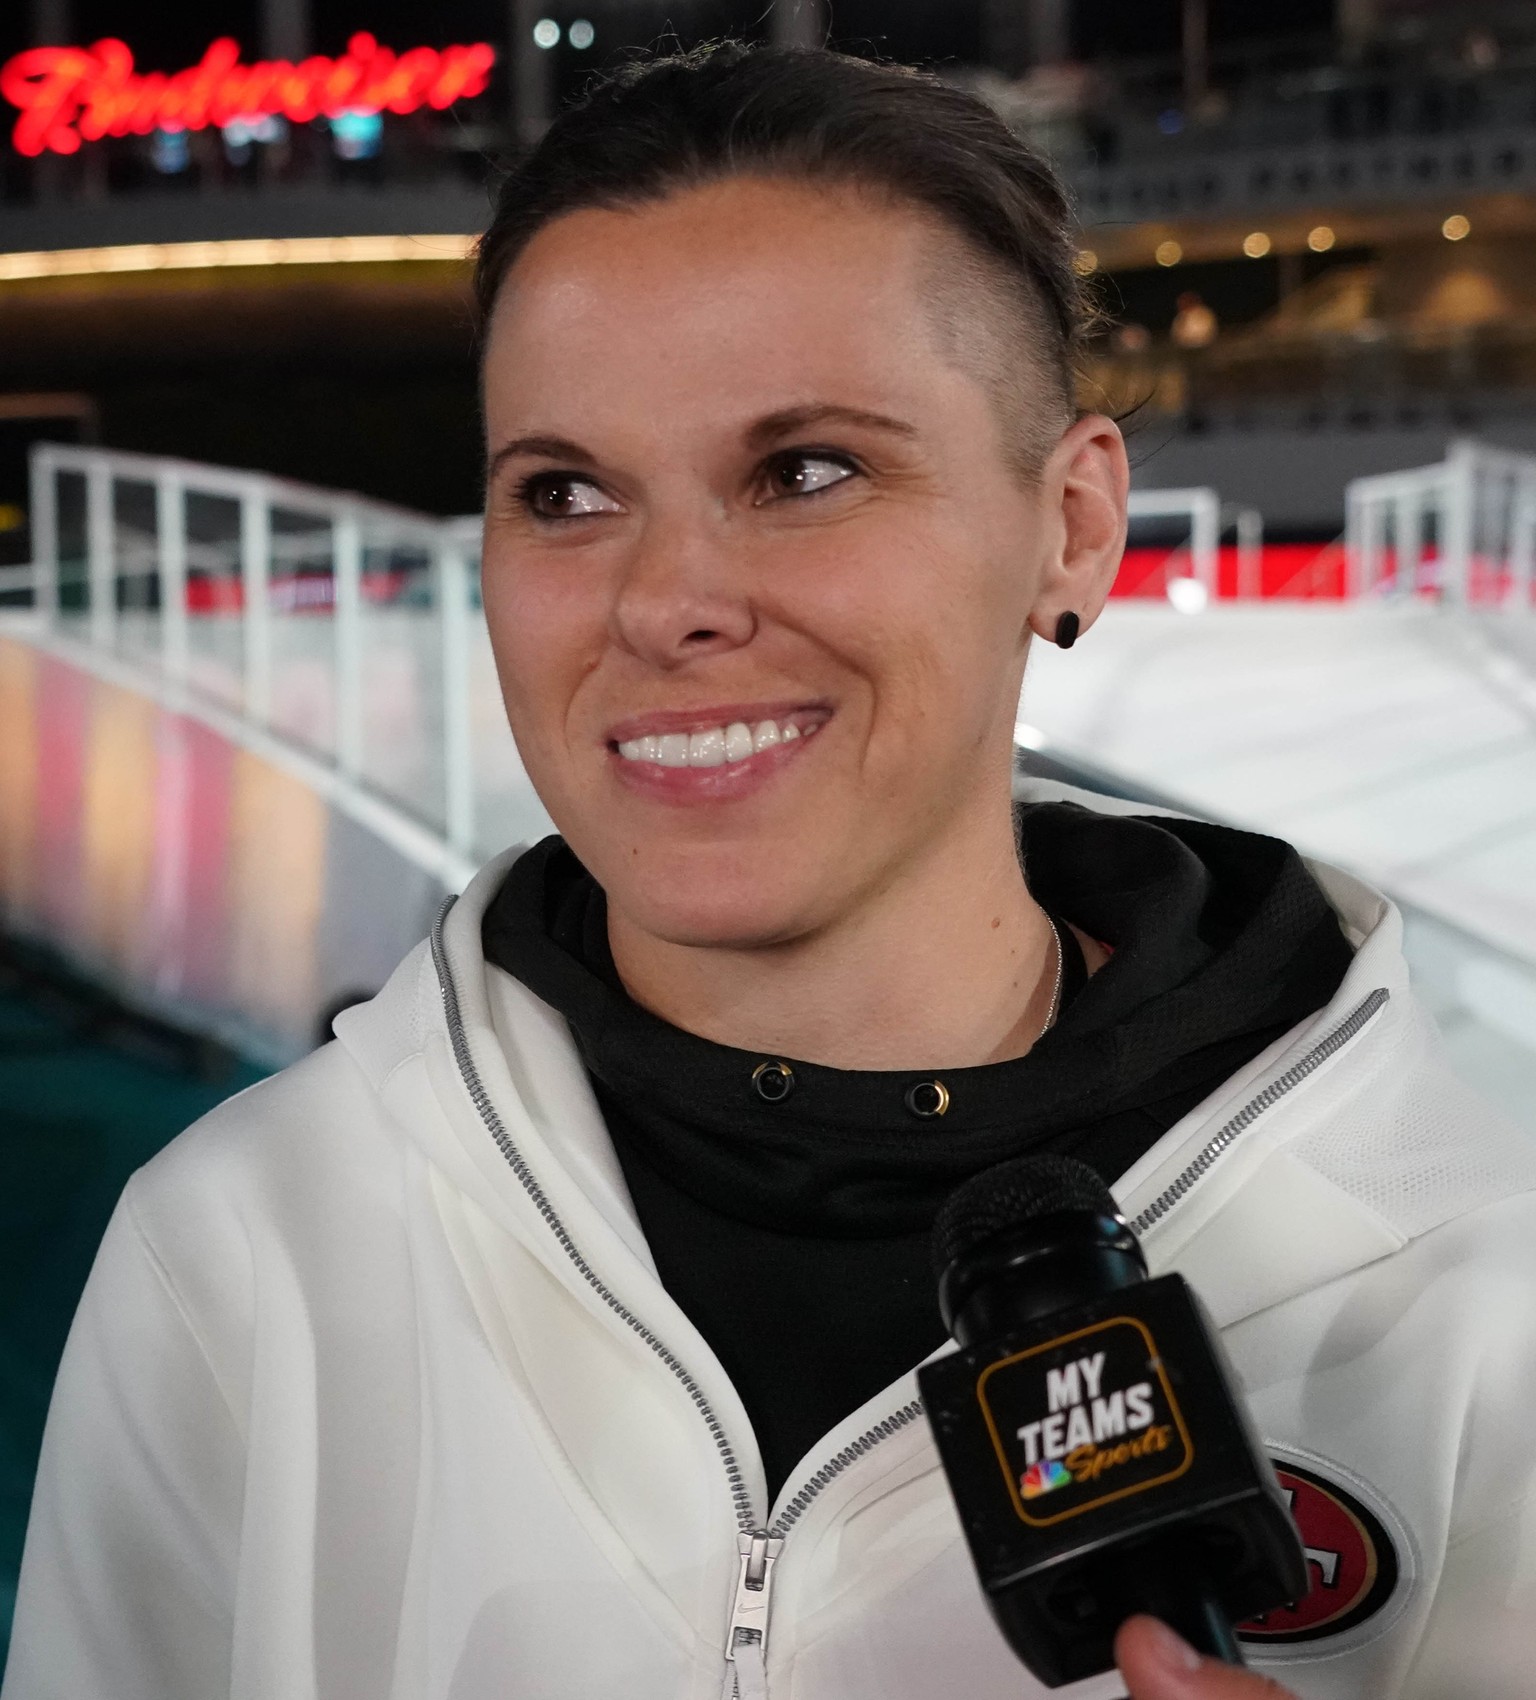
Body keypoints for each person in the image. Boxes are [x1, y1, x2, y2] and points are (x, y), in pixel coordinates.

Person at [6, 41, 1536, 1700]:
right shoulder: (241, 1249)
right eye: (567, 492)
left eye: (807, 470)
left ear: (1074, 524)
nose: (665, 602)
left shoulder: (1482, 1292)